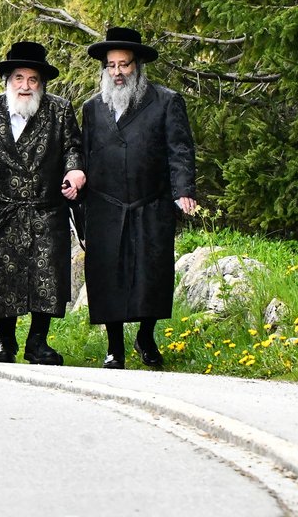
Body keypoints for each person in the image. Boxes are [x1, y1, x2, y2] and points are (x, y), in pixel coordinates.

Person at [80, 25, 197, 369]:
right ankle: (114, 347)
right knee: (107, 276)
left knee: (152, 274)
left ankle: (146, 336)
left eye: (124, 65)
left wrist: (183, 190)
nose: (118, 72)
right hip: (105, 204)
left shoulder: (166, 101)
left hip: (151, 201)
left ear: (137, 67)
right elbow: (84, 154)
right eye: (112, 66)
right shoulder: (92, 108)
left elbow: (180, 150)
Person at [0, 40, 85, 365]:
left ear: (42, 84)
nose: (25, 86)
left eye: (33, 80)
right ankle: (5, 343)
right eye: (19, 78)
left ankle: (37, 342)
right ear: (7, 81)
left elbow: (73, 146)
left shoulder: (59, 110)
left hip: (44, 210)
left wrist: (74, 170)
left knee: (44, 277)